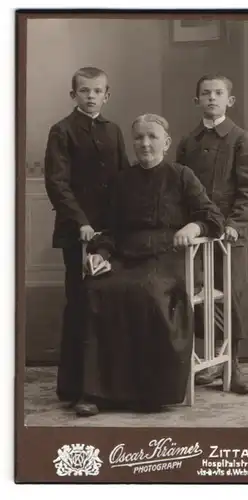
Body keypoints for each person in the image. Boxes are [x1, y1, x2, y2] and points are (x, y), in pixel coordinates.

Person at [74, 113, 225, 417]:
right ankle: (94, 392)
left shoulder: (182, 176)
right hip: (126, 255)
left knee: (149, 292)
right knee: (96, 289)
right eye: (139, 138)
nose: (145, 143)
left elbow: (213, 218)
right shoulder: (121, 181)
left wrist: (193, 228)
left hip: (170, 257)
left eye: (152, 137)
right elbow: (110, 229)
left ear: (166, 143)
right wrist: (101, 253)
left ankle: (150, 392)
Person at [44, 66, 129, 406]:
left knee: (110, 304)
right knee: (81, 305)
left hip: (111, 233)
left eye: (97, 91)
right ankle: (79, 390)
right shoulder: (62, 131)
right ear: (73, 94)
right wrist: (80, 221)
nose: (91, 96)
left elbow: (123, 179)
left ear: (107, 95)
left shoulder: (114, 131)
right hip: (77, 232)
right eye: (84, 91)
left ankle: (110, 387)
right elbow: (57, 183)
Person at [176, 74, 248, 394]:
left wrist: (234, 225)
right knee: (197, 296)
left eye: (218, 93)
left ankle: (232, 363)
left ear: (230, 100)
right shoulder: (187, 142)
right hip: (196, 235)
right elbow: (178, 188)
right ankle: (206, 362)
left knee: (230, 296)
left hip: (228, 236)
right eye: (206, 93)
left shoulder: (240, 139)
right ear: (196, 100)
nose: (212, 98)